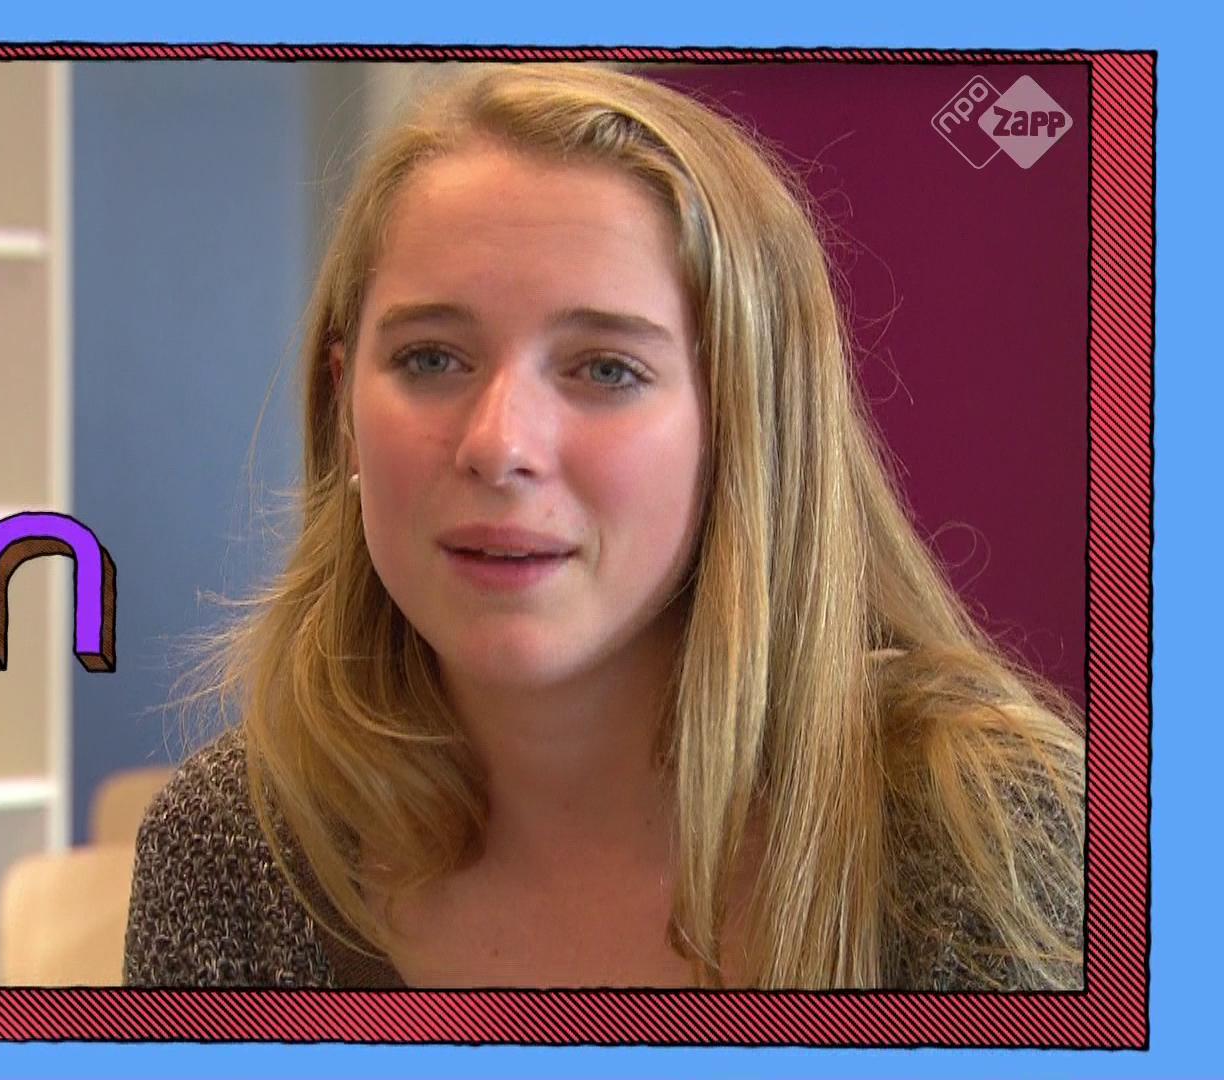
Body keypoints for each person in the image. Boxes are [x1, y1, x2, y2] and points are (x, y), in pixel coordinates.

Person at [122, 63, 1085, 990]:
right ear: (344, 407)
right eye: (430, 358)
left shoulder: (979, 832)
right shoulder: (232, 853)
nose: (499, 445)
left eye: (607, 369)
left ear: (743, 427)